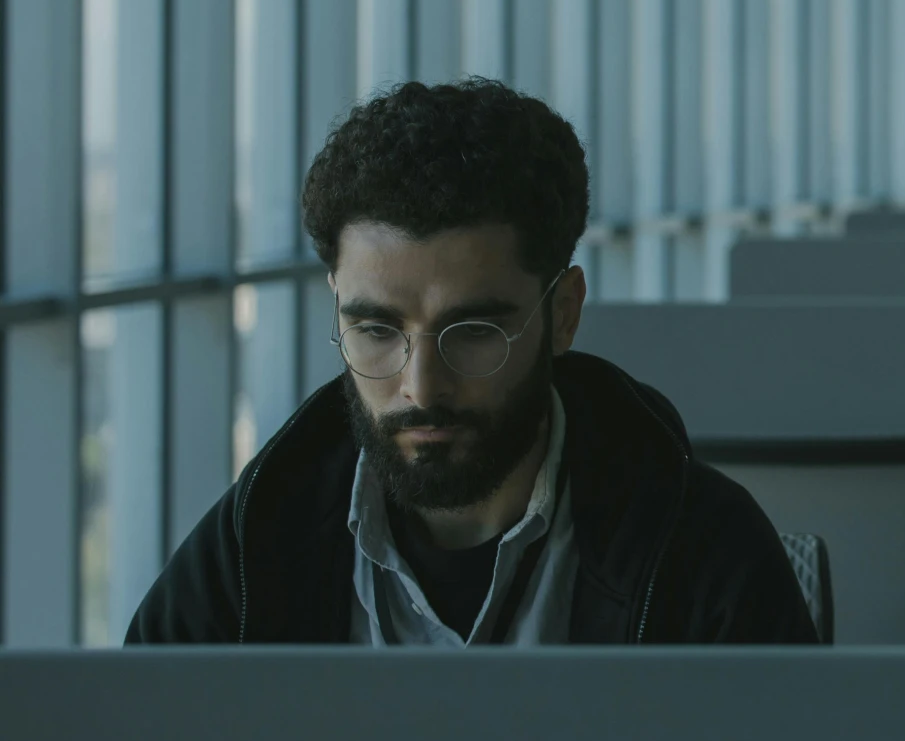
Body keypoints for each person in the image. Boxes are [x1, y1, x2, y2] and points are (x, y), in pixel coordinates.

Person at [128, 78, 820, 646]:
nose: (420, 385)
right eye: (375, 329)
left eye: (474, 331)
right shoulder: (256, 540)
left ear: (564, 313)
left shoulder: (706, 552)